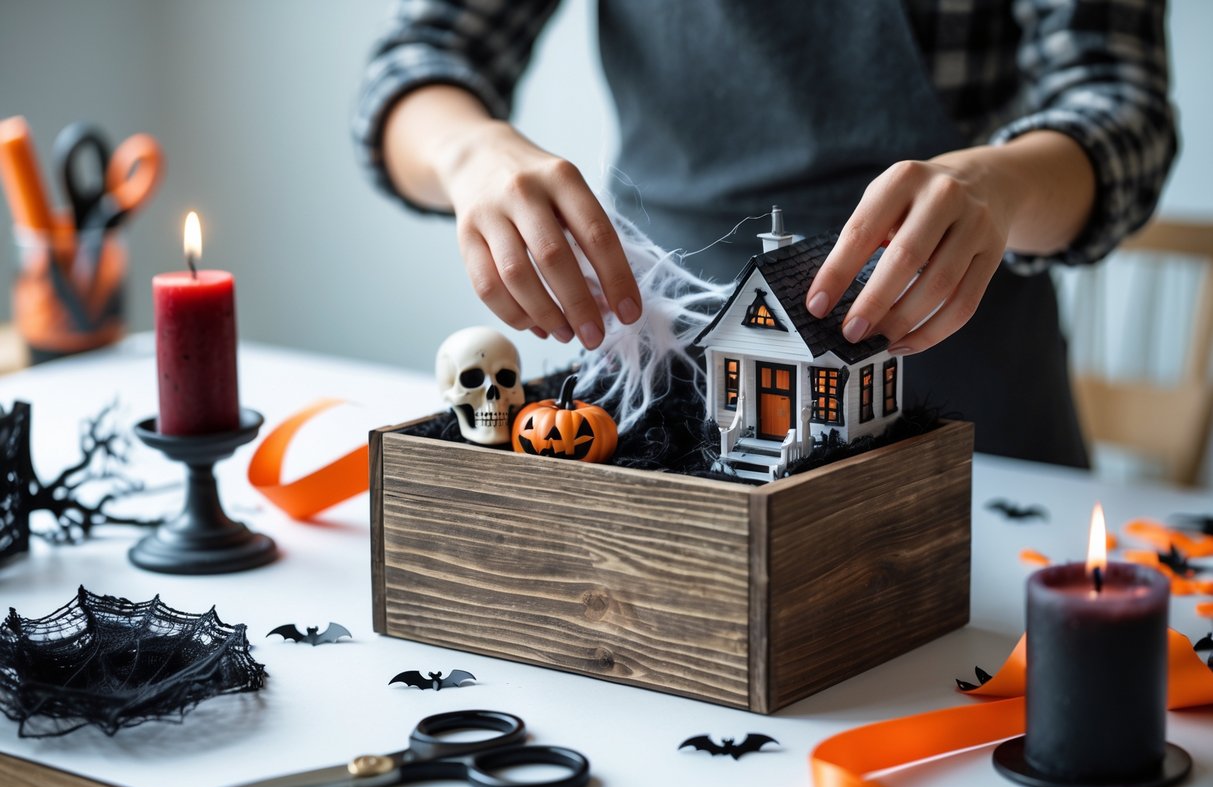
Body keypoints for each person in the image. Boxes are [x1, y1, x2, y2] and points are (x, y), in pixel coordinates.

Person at [353, 0, 1176, 468]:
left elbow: (1119, 107)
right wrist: (468, 151)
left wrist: (1002, 182)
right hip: (658, 361)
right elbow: (419, 56)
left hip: (972, 398)